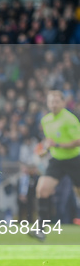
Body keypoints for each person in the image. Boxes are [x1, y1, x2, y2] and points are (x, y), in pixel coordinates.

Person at [35, 90, 80, 240]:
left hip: (74, 159)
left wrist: (58, 144)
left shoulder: (70, 119)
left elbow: (77, 141)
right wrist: (44, 149)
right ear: (47, 103)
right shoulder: (45, 120)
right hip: (57, 159)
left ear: (63, 103)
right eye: (51, 102)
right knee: (42, 189)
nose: (53, 104)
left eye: (56, 101)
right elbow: (49, 141)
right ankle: (41, 229)